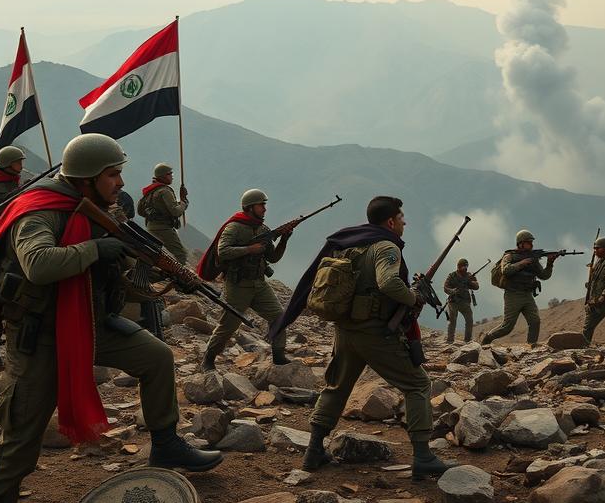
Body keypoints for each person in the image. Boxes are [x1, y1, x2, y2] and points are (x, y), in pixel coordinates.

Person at [0, 133, 222, 503]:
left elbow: (115, 273)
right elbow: (39, 264)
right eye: (113, 174)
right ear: (88, 178)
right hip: (40, 336)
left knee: (156, 356)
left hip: (91, 323)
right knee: (22, 434)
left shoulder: (100, 211)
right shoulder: (38, 211)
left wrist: (166, 277)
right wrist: (96, 249)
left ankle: (166, 442)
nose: (121, 182)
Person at [291, 195, 454, 480]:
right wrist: (413, 295)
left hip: (345, 329)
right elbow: (388, 282)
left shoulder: (351, 241)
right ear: (390, 221)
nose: (405, 222)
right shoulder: (387, 246)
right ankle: (423, 456)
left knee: (336, 387)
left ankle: (313, 451)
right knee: (417, 385)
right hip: (374, 332)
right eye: (402, 217)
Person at [201, 189, 297, 369]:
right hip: (237, 285)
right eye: (261, 205)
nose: (265, 209)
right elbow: (223, 252)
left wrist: (284, 239)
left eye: (264, 205)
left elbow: (273, 257)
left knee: (278, 316)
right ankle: (208, 359)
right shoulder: (234, 227)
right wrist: (249, 249)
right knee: (228, 326)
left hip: (259, 284)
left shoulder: (263, 229)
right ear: (250, 207)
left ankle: (278, 355)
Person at [480, 230, 554, 346]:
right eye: (529, 242)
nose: (531, 245)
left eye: (531, 242)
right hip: (513, 295)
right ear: (521, 243)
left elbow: (544, 276)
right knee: (507, 326)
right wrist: (522, 263)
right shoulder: (510, 256)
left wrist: (550, 263)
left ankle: (531, 347)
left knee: (535, 321)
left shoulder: (533, 258)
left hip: (527, 295)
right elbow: (506, 270)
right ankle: (487, 338)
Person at [136, 163, 189, 264]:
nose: (172, 177)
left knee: (154, 253)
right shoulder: (165, 191)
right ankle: (180, 277)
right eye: (170, 174)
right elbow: (176, 212)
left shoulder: (150, 190)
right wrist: (183, 203)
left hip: (151, 227)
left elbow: (141, 211)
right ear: (163, 176)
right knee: (180, 254)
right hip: (164, 229)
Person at [443, 258, 478, 344]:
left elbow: (476, 286)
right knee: (452, 321)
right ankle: (450, 340)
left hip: (465, 301)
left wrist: (470, 281)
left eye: (466, 266)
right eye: (463, 266)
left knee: (469, 320)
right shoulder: (451, 276)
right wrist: (452, 291)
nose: (464, 268)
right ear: (458, 266)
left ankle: (467, 340)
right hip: (453, 301)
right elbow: (445, 287)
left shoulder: (469, 275)